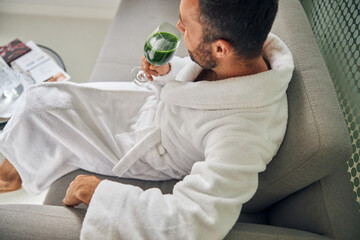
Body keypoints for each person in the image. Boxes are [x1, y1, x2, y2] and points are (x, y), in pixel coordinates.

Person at [0, 0, 294, 239]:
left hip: (151, 148)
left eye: (187, 27)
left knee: (40, 106)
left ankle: (11, 171)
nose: (178, 29)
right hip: (152, 110)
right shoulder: (242, 52)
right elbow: (202, 89)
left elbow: (196, 222)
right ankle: (15, 157)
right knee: (37, 99)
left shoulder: (245, 134)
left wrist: (102, 194)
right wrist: (168, 73)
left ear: (220, 48)